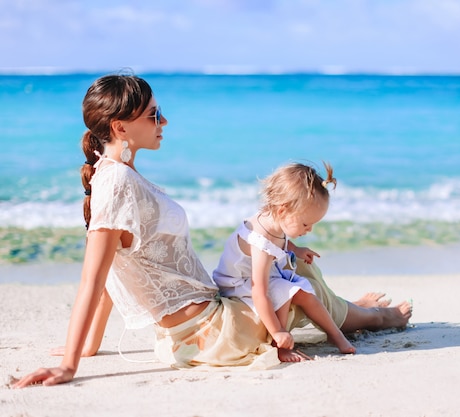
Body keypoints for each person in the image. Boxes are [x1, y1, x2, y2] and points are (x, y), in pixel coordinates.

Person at [12, 74, 280, 389]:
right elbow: (93, 279)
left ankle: (355, 309)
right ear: (120, 127)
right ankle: (354, 312)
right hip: (212, 332)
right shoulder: (117, 183)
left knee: (290, 271)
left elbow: (116, 265)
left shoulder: (120, 177)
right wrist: (69, 365)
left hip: (193, 332)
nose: (163, 121)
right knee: (296, 281)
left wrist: (91, 345)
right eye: (153, 115)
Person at [213, 162, 356, 360]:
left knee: (306, 294)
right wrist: (277, 330)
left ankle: (334, 334)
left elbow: (280, 241)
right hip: (238, 283)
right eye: (306, 224)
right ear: (282, 211)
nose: (309, 230)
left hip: (264, 274)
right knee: (285, 291)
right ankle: (280, 345)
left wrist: (296, 250)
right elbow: (259, 292)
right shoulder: (260, 240)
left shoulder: (275, 220)